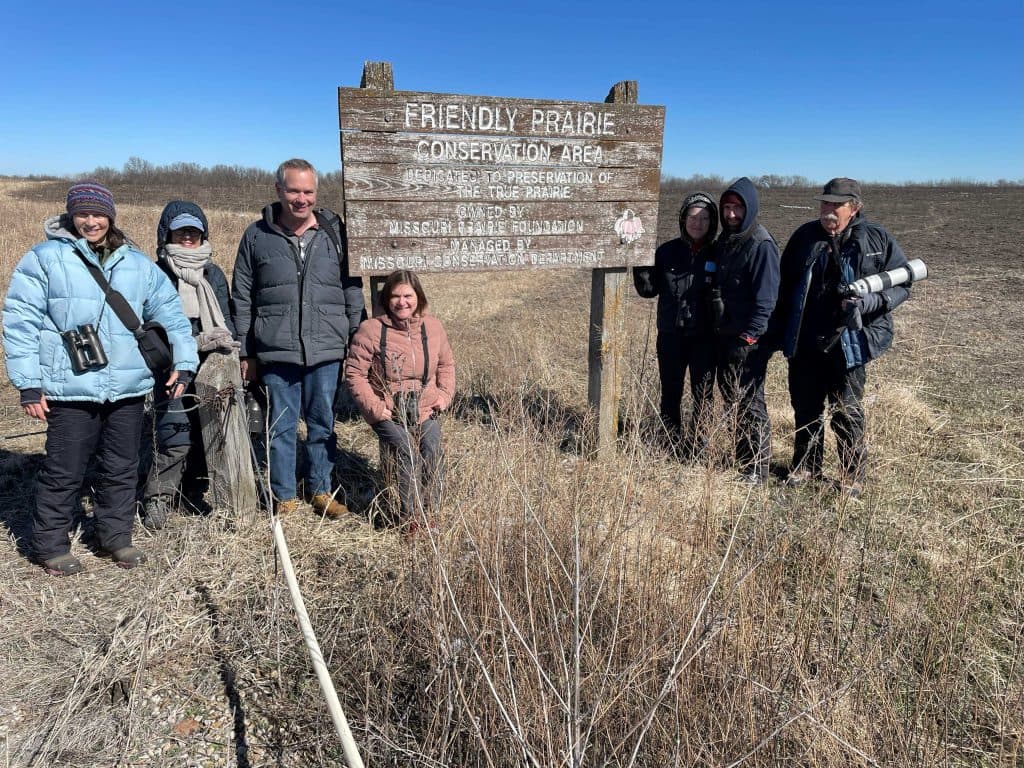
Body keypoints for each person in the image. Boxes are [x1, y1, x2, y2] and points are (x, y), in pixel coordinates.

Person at [2, 181, 197, 575]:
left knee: (121, 466)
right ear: (70, 215)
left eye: (98, 213)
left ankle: (115, 538)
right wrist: (28, 383)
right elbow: (20, 321)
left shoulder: (137, 263)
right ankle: (51, 544)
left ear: (111, 216)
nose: (91, 221)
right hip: (70, 388)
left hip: (126, 387)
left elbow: (172, 315)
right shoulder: (44, 259)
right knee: (64, 469)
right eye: (82, 213)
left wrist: (185, 361)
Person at [231, 158, 364, 517]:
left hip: (326, 347)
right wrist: (246, 351)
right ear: (278, 190)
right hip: (277, 350)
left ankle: (321, 490)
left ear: (315, 193)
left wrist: (355, 336)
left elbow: (352, 288)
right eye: (293, 190)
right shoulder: (257, 235)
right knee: (281, 427)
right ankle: (284, 495)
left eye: (308, 191)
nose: (301, 199)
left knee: (322, 423)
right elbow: (242, 295)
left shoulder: (334, 232)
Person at [775, 178, 912, 497]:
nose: (829, 211)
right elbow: (784, 288)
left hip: (850, 342)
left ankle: (852, 475)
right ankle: (806, 467)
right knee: (805, 407)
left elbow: (903, 282)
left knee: (846, 410)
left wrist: (871, 303)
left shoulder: (875, 238)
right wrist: (780, 333)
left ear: (855, 208)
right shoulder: (804, 237)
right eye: (825, 204)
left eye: (837, 205)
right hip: (807, 340)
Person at [140, 201, 237, 529]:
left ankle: (194, 490)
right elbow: (149, 327)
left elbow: (227, 318)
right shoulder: (155, 273)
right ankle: (158, 497)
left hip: (212, 365)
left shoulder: (214, 274)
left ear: (202, 235)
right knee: (175, 434)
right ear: (167, 233)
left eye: (193, 231)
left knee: (208, 432)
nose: (187, 237)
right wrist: (178, 352)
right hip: (170, 367)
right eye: (180, 230)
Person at [345, 270, 455, 529]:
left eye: (408, 295)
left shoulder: (433, 327)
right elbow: (355, 375)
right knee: (407, 452)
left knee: (432, 449)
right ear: (386, 299)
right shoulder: (371, 330)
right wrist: (375, 408)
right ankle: (409, 519)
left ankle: (432, 514)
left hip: (425, 405)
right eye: (395, 296)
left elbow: (447, 364)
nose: (402, 302)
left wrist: (444, 395)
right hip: (387, 409)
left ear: (419, 297)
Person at [633, 192, 718, 457]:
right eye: (692, 216)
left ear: (712, 222)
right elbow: (648, 290)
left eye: (705, 218)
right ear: (683, 219)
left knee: (702, 394)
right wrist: (640, 259)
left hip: (705, 337)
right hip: (670, 334)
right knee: (670, 390)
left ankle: (699, 445)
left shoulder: (720, 252)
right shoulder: (666, 252)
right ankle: (670, 440)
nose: (698, 223)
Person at [710, 177, 780, 483]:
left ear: (750, 209)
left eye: (738, 208)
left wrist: (748, 338)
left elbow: (766, 301)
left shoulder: (761, 245)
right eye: (727, 207)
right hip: (725, 336)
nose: (731, 214)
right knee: (732, 399)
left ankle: (757, 468)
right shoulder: (727, 241)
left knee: (751, 402)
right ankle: (743, 457)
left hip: (749, 341)